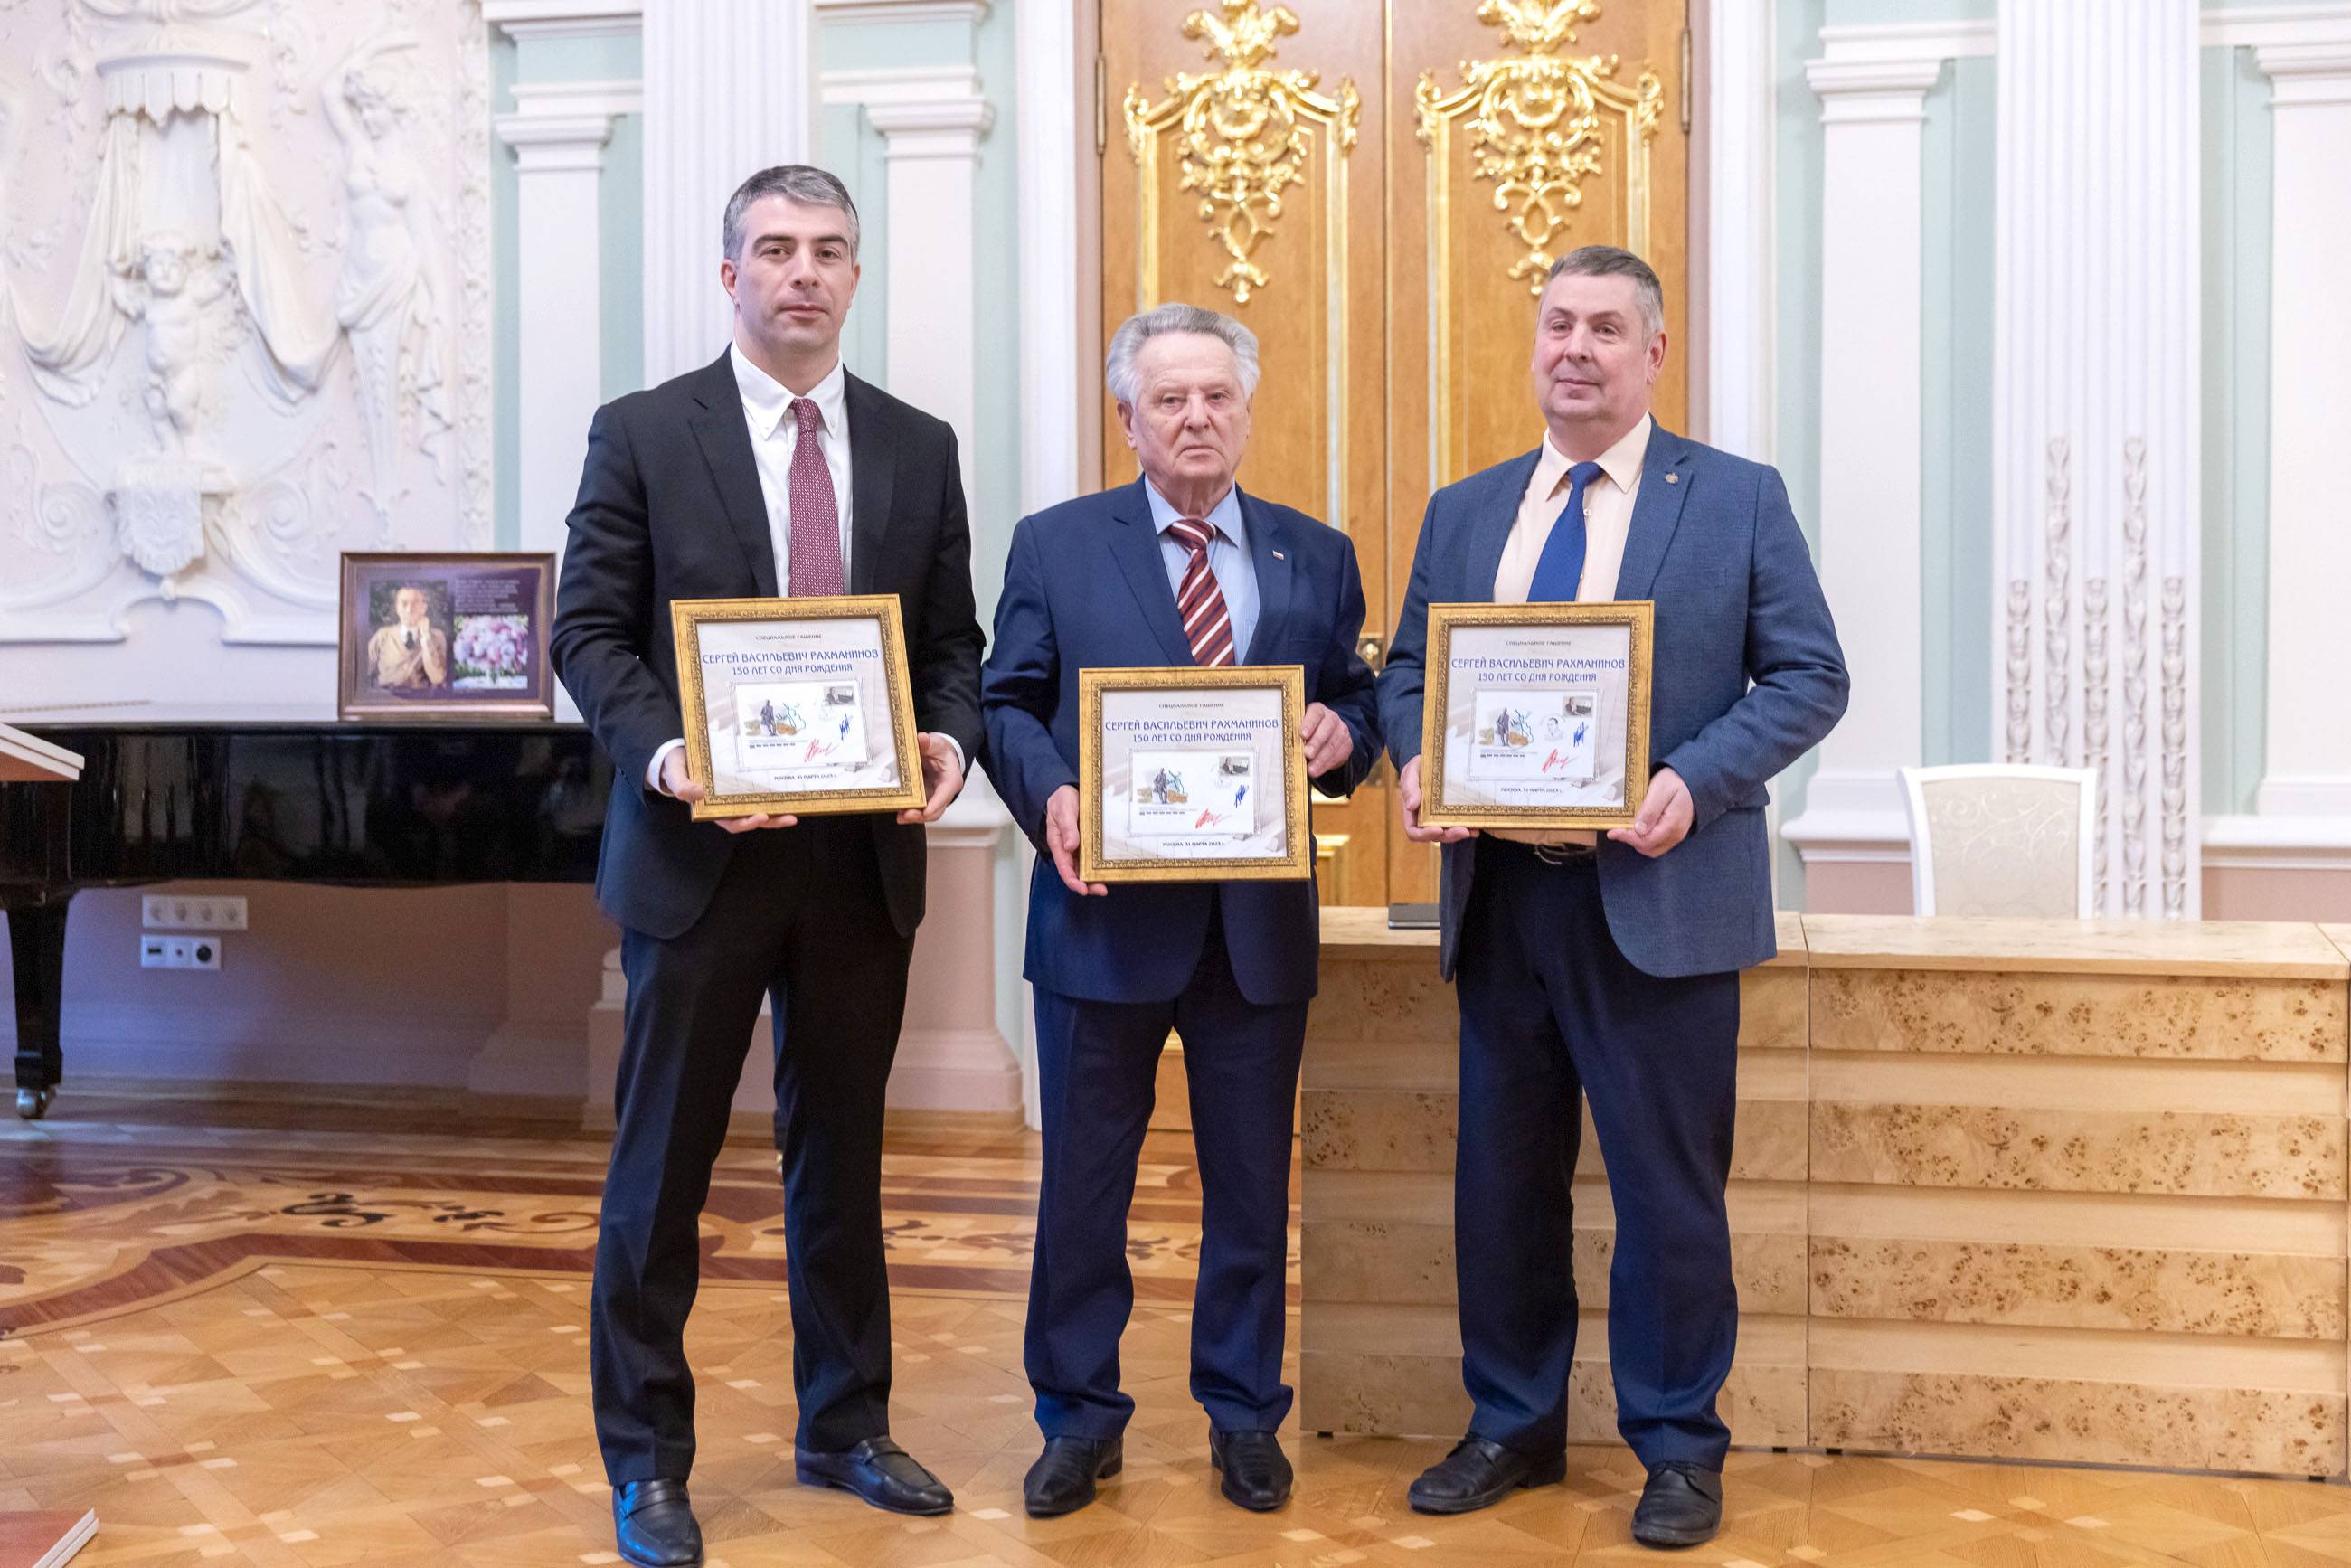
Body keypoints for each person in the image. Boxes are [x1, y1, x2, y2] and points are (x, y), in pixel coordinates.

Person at [1377, 245, 1846, 1547]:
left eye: (1603, 328)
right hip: (1503, 904)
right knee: (1502, 1188)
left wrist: (1695, 780)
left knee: (1667, 1197)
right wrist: (1414, 757)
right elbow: (1407, 672)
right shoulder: (1467, 510)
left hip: (1659, 899)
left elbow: (1809, 675)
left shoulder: (1735, 498)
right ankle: (1511, 1424)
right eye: (1557, 325)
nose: (1574, 349)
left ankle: (1679, 1447)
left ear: (1653, 353)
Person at [551, 165, 983, 1568]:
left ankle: (846, 1423)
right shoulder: (642, 431)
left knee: (841, 1160)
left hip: (860, 865)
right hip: (698, 858)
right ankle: (647, 1462)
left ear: (855, 275)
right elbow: (587, 634)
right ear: (729, 272)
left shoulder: (919, 444)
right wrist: (676, 756)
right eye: (777, 249)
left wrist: (946, 742)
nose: (804, 272)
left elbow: (952, 646)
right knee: (661, 1168)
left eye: (830, 250)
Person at [982, 303, 1381, 1518]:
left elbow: (1360, 701)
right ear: (1128, 418)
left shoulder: (1315, 553)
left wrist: (1344, 734)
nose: (1196, 417)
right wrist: (1050, 793)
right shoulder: (1056, 545)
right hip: (1100, 919)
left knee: (1251, 1188)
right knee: (1083, 1188)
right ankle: (1076, 1417)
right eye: (1169, 399)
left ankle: (1243, 1413)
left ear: (1245, 411)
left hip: (1254, 928)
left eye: (1216, 396)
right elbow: (1006, 703)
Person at [366, 584, 448, 689]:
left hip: (421, 697)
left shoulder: (437, 637)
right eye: (404, 604)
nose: (409, 610)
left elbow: (437, 678)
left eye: (415, 604)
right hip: (386, 696)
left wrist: (425, 637)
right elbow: (364, 673)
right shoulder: (383, 635)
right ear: (397, 608)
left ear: (423, 608)